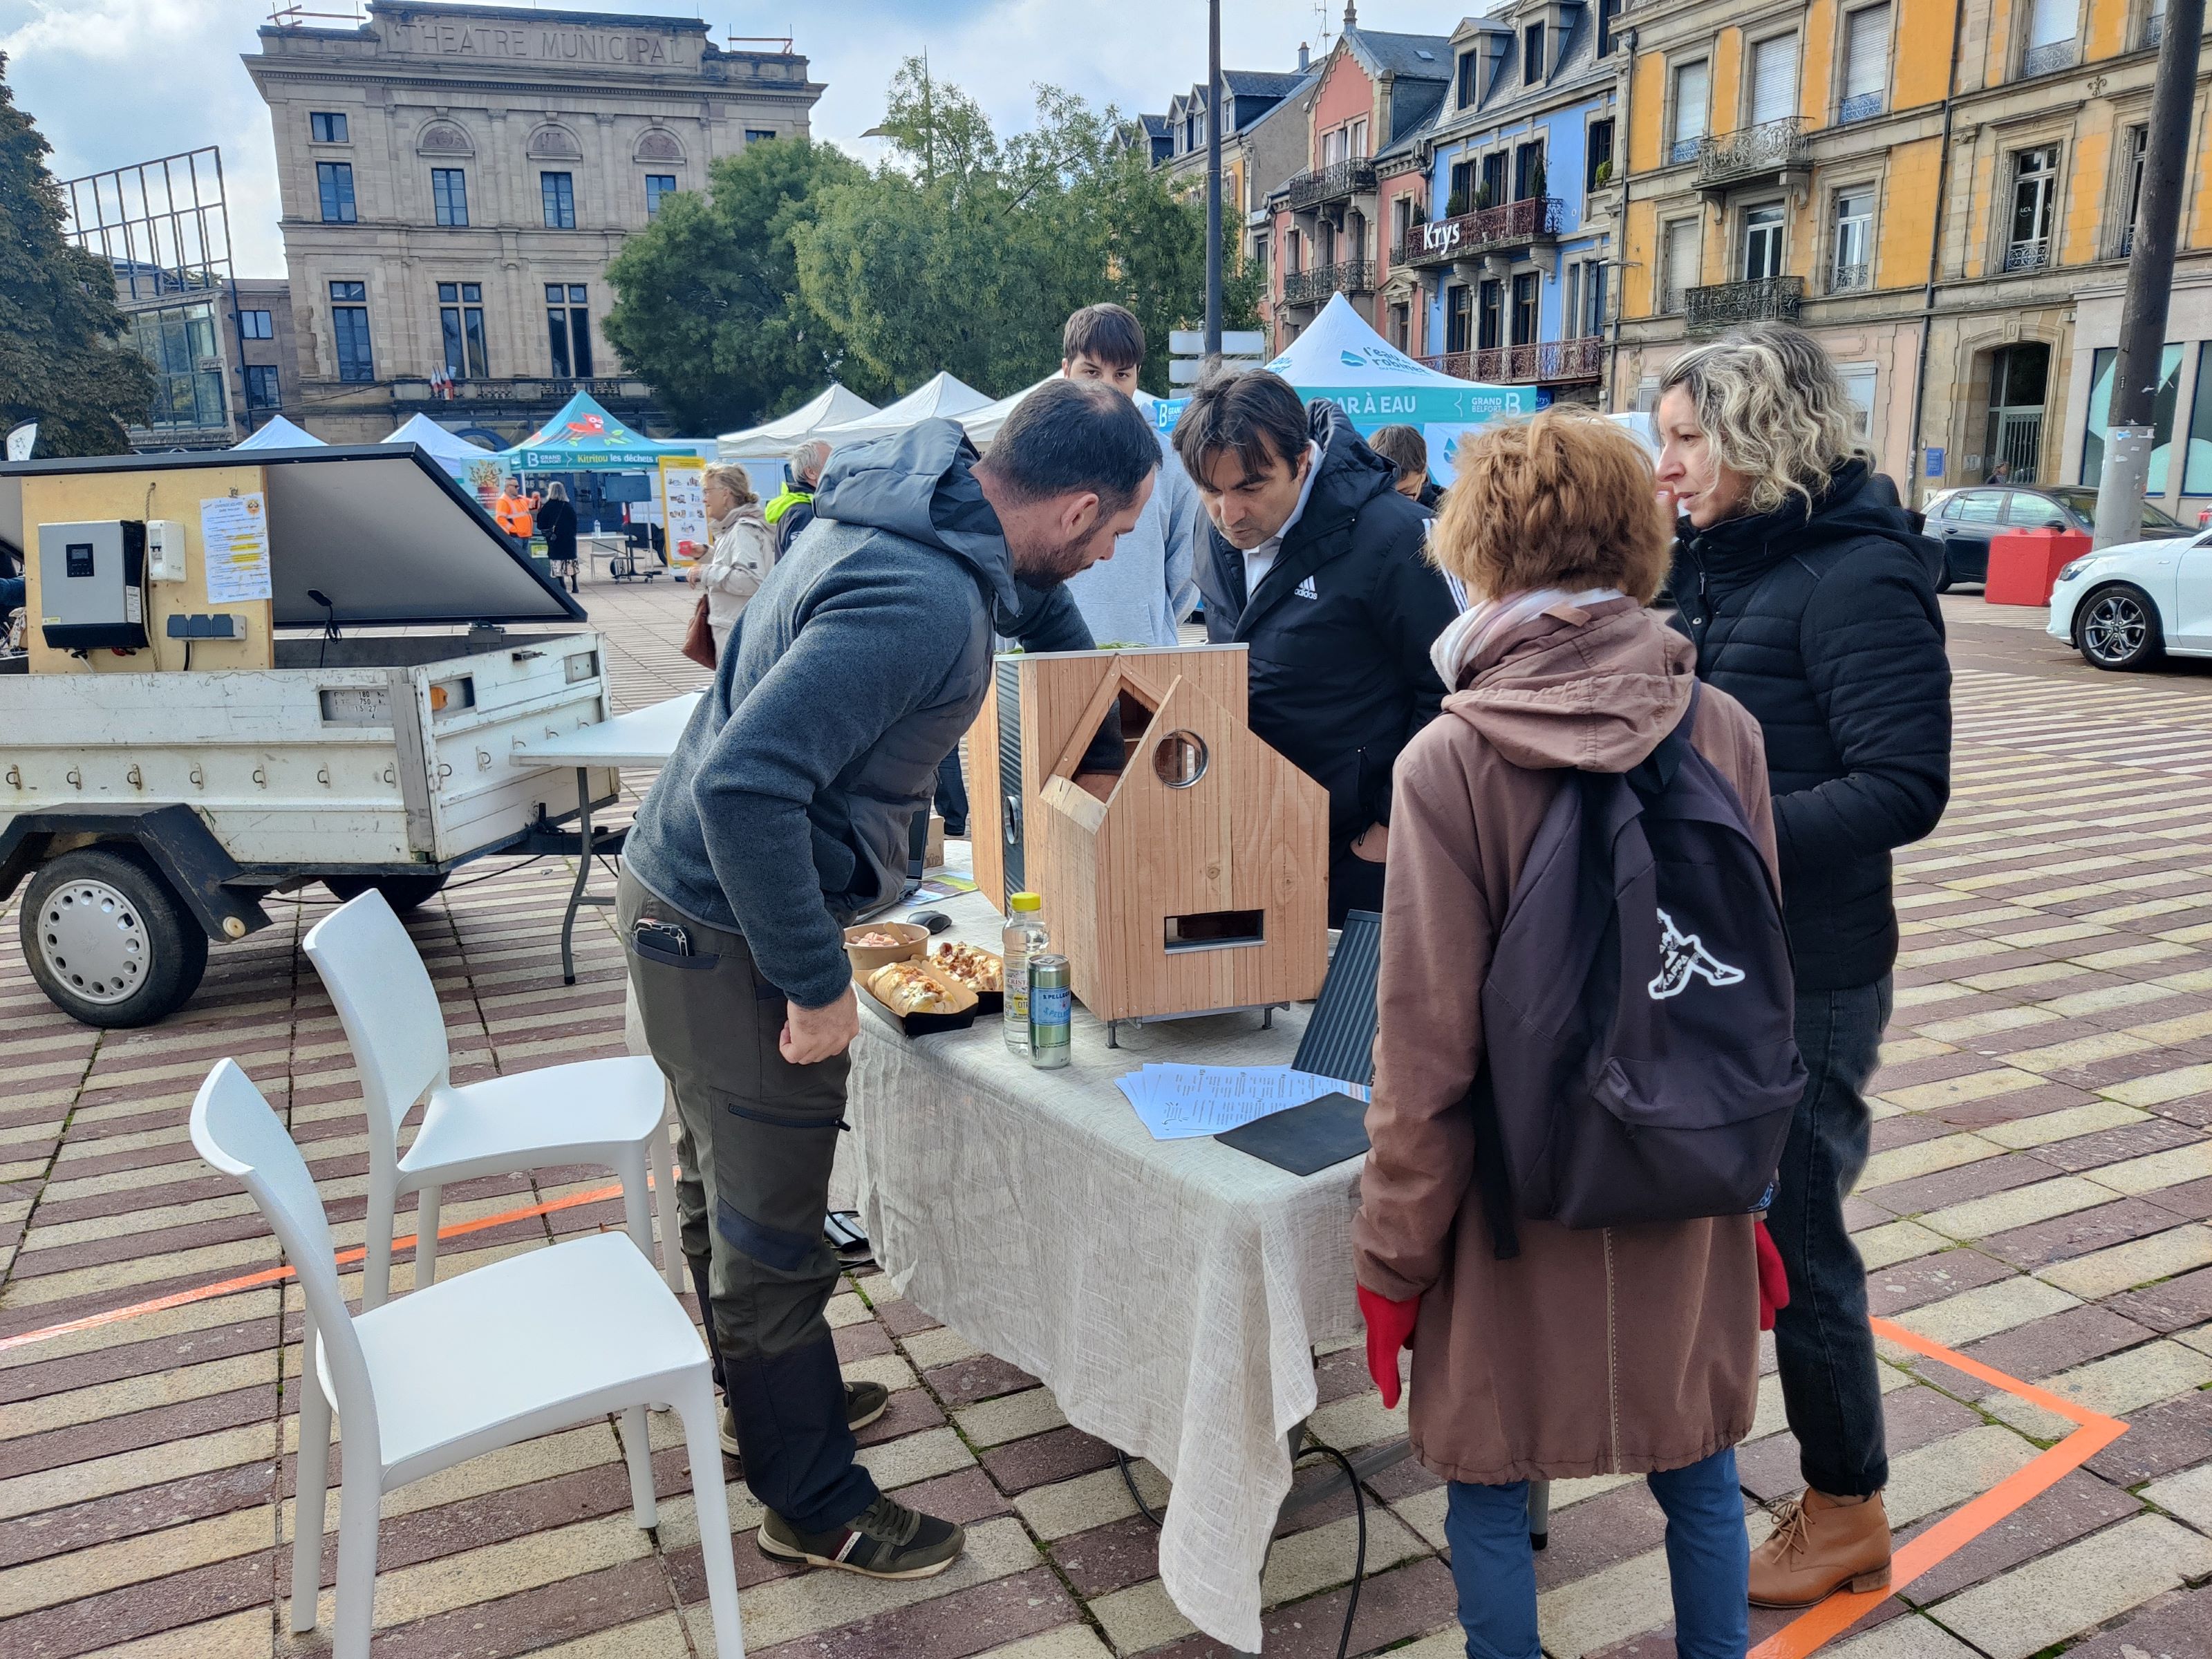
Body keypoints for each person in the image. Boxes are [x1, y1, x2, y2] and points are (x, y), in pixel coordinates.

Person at [619, 381, 1159, 1581]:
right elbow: (747, 790)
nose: (1115, 549)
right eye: (1117, 530)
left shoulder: (921, 506)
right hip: (727, 929)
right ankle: (812, 1504)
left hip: (682, 902)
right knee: (770, 1227)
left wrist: (1124, 745)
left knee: (723, 1180)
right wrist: (817, 987)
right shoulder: (921, 602)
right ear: (1074, 507)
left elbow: (1038, 609)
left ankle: (763, 1404)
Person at [1356, 407, 1774, 1659]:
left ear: (1479, 553)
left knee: (1489, 1480)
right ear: (1639, 539)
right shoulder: (1727, 730)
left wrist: (1391, 1259)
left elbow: (1423, 1046)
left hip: (1511, 1195)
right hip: (1688, 1164)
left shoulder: (1449, 760)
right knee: (1699, 1467)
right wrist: (1755, 1200)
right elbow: (1759, 991)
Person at [1657, 322, 1951, 1610]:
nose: (1664, 467)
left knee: (1801, 1231)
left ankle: (1848, 1506)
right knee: (1736, 1217)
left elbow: (1905, 786)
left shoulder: (1855, 576)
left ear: (1756, 435)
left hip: (1813, 968)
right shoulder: (1717, 559)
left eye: (1684, 440)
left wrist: (1728, 842)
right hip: (1720, 955)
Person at [1174, 368, 1460, 926]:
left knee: (1344, 1012)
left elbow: (1454, 692)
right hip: (1251, 836)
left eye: (1251, 488)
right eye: (1211, 491)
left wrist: (1388, 828)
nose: (1229, 514)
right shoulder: (1214, 532)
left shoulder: (1399, 537)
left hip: (1359, 850)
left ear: (1303, 462)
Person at [1056, 302, 1203, 647]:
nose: (1108, 386)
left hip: (1146, 664)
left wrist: (1152, 622)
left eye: (1121, 374)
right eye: (1092, 372)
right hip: (1049, 660)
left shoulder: (1169, 462)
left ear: (1137, 375)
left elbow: (1187, 572)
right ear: (1066, 370)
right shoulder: (1037, 452)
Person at [697, 462, 777, 658]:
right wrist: (706, 554)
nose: (704, 499)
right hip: (738, 626)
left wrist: (704, 573)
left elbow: (751, 580)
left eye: (707, 491)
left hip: (737, 630)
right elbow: (736, 563)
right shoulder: (735, 528)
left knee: (735, 688)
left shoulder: (742, 530)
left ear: (726, 494)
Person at [765, 440, 831, 557]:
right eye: (831, 463)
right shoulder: (805, 513)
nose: (838, 469)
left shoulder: (798, 507)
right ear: (811, 472)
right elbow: (803, 567)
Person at [1365, 424, 1443, 508]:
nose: (1394, 505)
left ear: (1423, 472)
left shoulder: (1450, 511)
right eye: (1384, 494)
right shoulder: (1356, 505)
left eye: (1404, 494)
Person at [538, 481, 580, 594]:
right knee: (570, 561)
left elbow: (541, 524)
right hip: (569, 539)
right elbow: (575, 522)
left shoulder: (548, 506)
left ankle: (562, 585)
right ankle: (575, 585)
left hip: (554, 539)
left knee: (557, 561)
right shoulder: (568, 506)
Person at [493, 478, 534, 542]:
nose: (518, 488)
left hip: (525, 536)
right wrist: (514, 530)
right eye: (516, 486)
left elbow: (534, 505)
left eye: (518, 486)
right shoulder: (503, 501)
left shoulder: (520, 499)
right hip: (515, 537)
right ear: (508, 487)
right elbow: (500, 519)